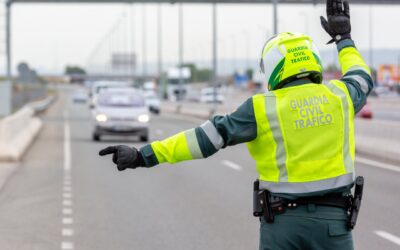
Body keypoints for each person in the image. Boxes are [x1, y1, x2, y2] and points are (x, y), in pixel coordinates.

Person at [99, 0, 373, 249]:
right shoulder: (341, 96)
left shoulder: (260, 108)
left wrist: (142, 156)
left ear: (274, 67)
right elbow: (361, 76)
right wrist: (343, 39)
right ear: (312, 59)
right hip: (334, 225)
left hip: (282, 226)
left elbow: (202, 141)